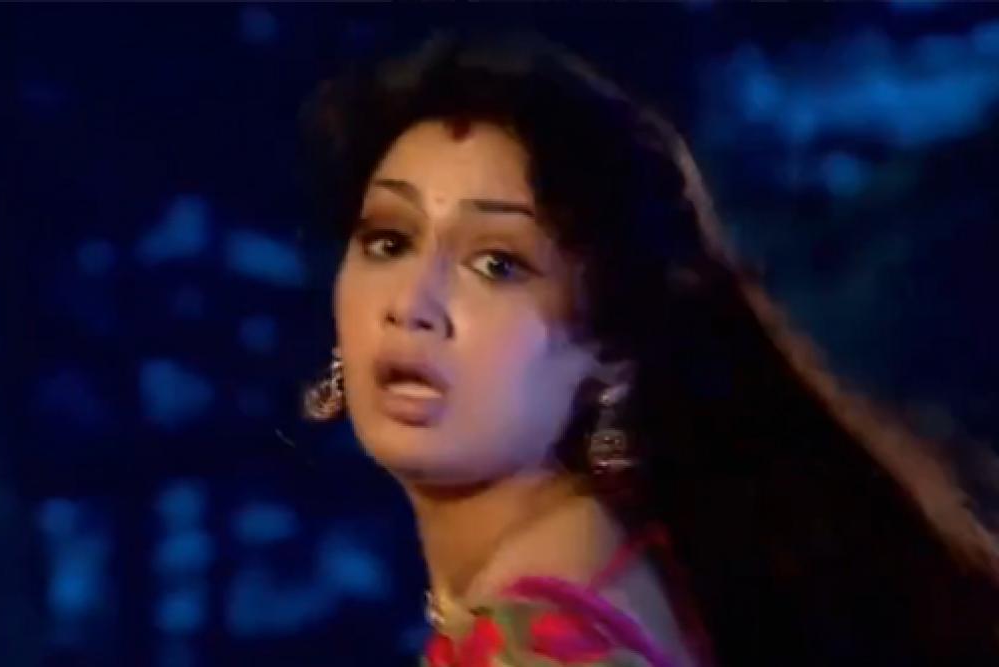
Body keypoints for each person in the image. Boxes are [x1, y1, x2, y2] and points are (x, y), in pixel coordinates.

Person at [295, 30, 999, 666]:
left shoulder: (532, 644)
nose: (411, 304)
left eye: (497, 264)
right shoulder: (626, 554)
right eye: (388, 241)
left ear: (608, 344)